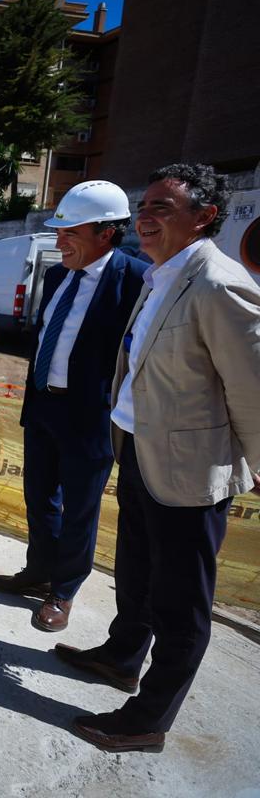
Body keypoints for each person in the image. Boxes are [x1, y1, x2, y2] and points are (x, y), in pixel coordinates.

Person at [57, 164, 260, 753]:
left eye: (163, 208)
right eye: (144, 207)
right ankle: (123, 656)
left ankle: (149, 718)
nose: (145, 217)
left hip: (191, 473)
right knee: (137, 573)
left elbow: (251, 387)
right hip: (141, 453)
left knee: (181, 601)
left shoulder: (219, 284)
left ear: (204, 217)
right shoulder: (159, 276)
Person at [0, 181, 147, 632]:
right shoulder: (57, 275)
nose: (59, 242)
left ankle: (64, 590)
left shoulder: (136, 281)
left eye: (69, 232)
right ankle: (38, 570)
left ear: (106, 233)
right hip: (43, 410)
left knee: (80, 509)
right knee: (39, 498)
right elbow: (46, 339)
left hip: (90, 420)